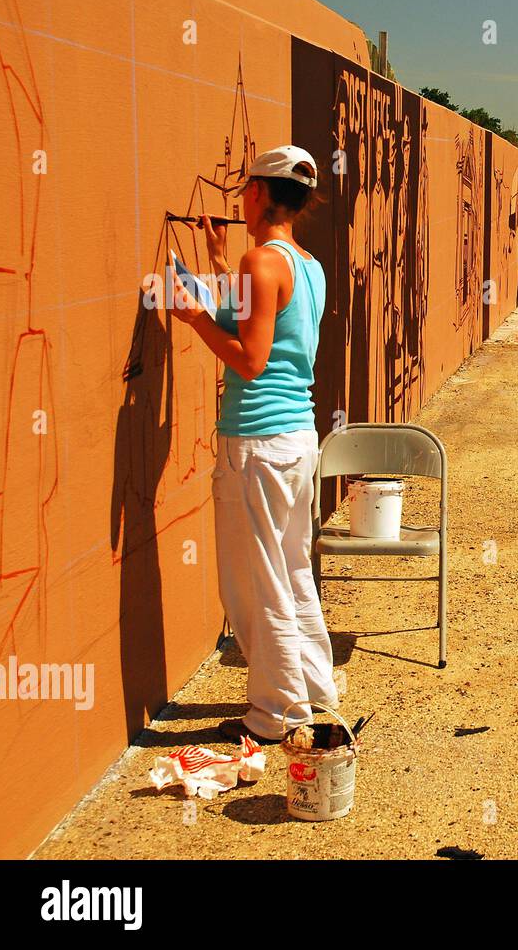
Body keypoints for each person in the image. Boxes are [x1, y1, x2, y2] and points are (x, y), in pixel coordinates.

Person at [162, 145, 337, 744]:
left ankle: (276, 715)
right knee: (289, 571)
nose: (240, 199)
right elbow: (263, 324)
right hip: (295, 440)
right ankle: (313, 691)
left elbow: (251, 358)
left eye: (245, 190)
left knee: (254, 583)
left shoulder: (260, 262)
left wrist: (192, 318)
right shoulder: (305, 264)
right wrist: (218, 267)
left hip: (256, 445)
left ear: (259, 194)